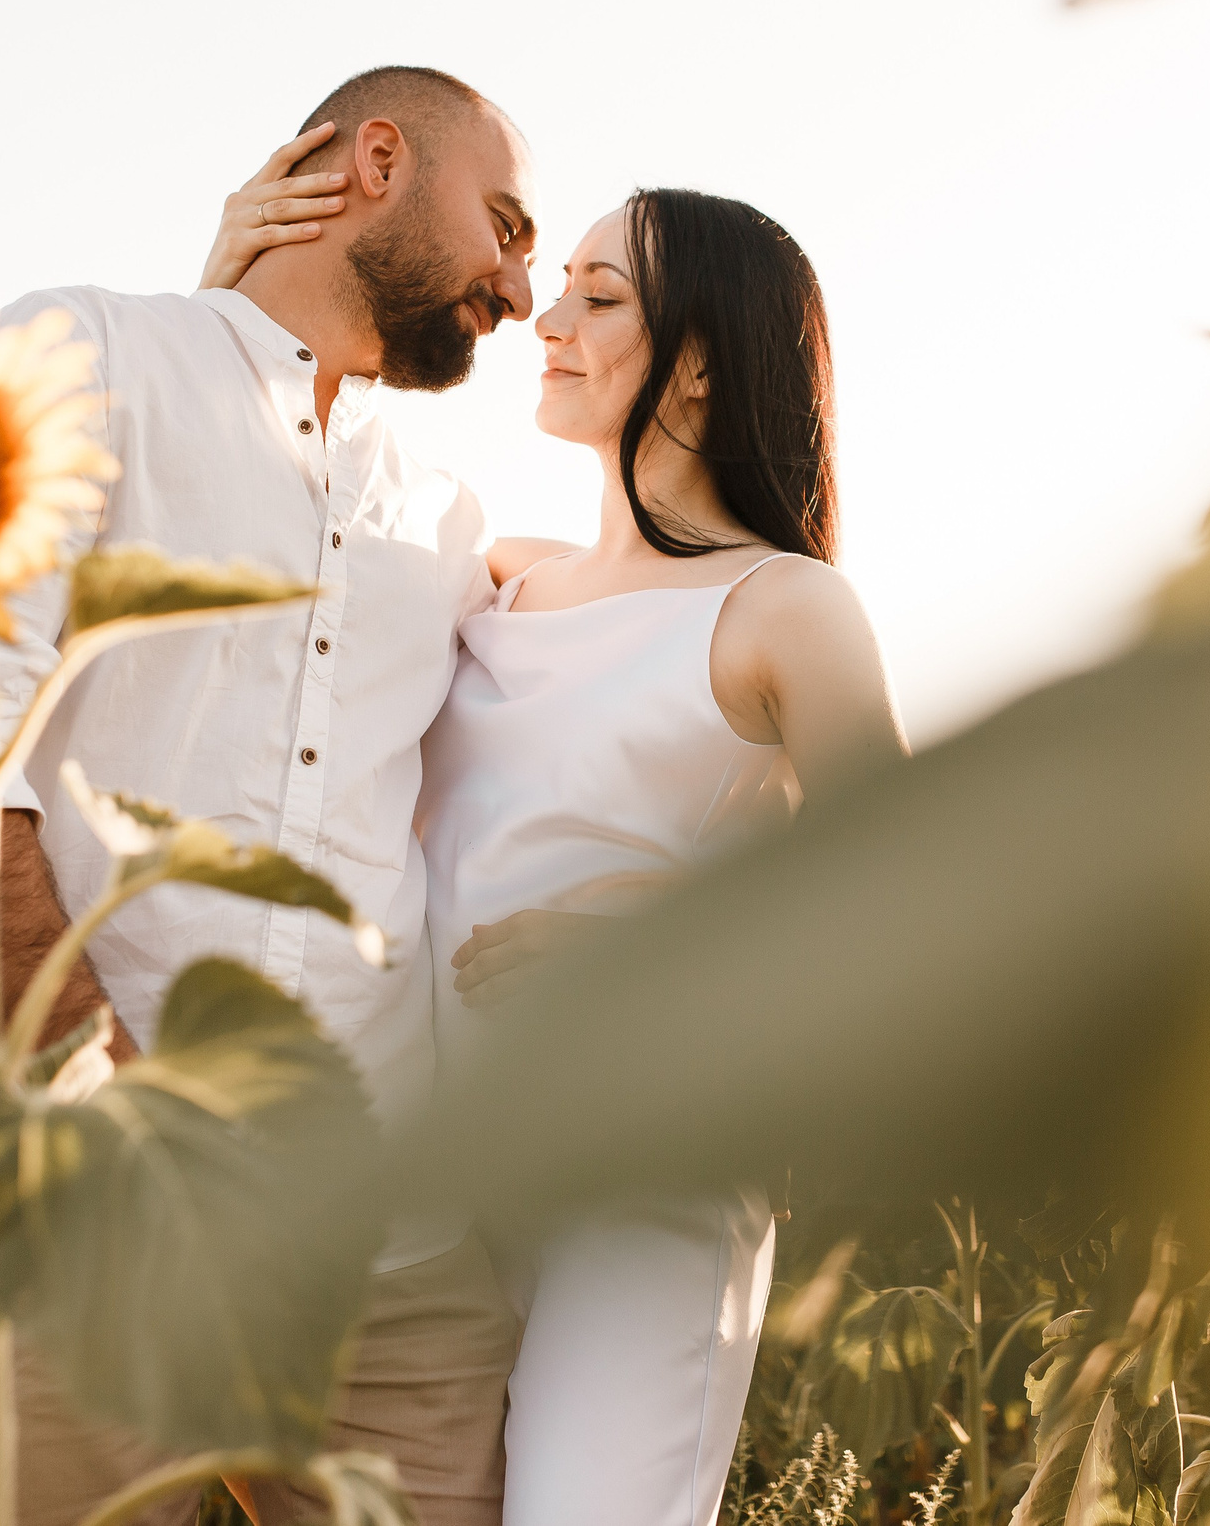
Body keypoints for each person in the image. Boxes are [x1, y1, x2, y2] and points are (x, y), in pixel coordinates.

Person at [0, 65, 538, 1526]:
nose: (520, 289)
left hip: (389, 1269)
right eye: (506, 224)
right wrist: (78, 1067)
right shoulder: (90, 354)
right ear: (377, 159)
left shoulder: (452, 517)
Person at [416, 190, 907, 1525]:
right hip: (423, 1179)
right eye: (558, 286)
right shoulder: (493, 580)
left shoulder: (782, 609)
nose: (548, 321)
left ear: (696, 360)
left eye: (599, 295)